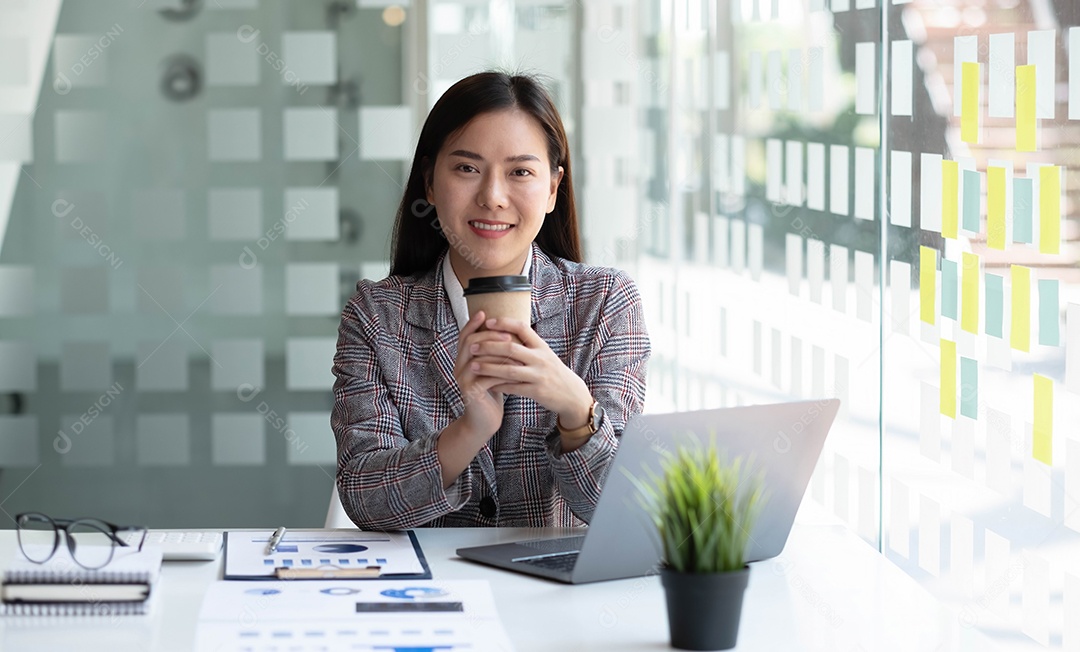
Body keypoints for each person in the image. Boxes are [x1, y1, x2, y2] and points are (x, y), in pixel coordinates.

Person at [331, 71, 650, 529]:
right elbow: (366, 500)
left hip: (555, 598)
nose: (492, 197)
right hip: (429, 595)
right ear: (429, 183)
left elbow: (625, 513)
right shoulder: (378, 315)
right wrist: (470, 429)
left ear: (553, 189)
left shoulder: (604, 304)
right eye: (466, 168)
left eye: (520, 172)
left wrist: (575, 409)